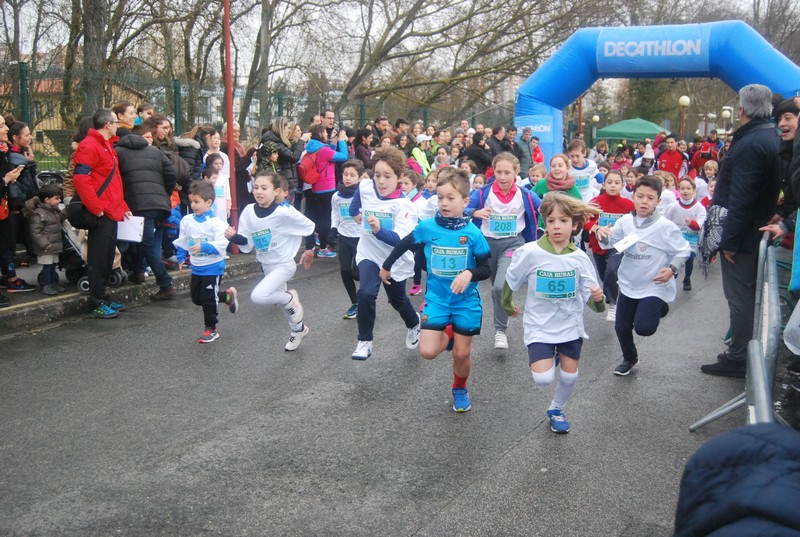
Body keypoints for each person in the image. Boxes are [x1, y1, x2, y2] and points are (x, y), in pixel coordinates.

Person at [380, 168, 491, 412]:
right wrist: (386, 266)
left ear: (465, 201)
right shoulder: (428, 227)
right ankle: (448, 334)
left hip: (466, 302)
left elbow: (486, 267)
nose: (444, 202)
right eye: (440, 197)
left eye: (450, 198)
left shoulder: (473, 233)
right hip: (437, 300)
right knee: (428, 352)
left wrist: (469, 273)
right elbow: (406, 243)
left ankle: (460, 389)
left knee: (461, 354)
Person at [503, 192, 605, 433]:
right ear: (544, 225)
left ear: (575, 225)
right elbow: (510, 282)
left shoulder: (580, 258)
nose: (557, 226)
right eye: (551, 221)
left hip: (570, 324)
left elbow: (591, 296)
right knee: (543, 379)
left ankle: (556, 409)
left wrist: (599, 301)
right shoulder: (530, 252)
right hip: (539, 324)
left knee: (570, 377)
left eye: (563, 221)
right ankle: (550, 356)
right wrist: (508, 306)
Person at [702, 84, 781, 378]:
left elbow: (742, 197)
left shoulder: (751, 142)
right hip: (753, 230)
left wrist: (730, 241)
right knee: (746, 296)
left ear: (742, 110)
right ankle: (742, 352)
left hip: (744, 236)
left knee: (740, 298)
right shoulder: (767, 136)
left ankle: (738, 358)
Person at [596, 175, 691, 376]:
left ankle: (659, 305)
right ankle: (629, 358)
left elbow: (683, 250)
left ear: (658, 201)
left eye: (650, 198)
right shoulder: (625, 221)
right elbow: (609, 243)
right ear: (633, 196)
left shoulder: (665, 227)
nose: (644, 201)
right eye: (640, 196)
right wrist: (601, 233)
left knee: (644, 329)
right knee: (621, 327)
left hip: (654, 285)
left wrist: (672, 269)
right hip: (629, 283)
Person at [226, 171, 315, 351]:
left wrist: (309, 249)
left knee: (258, 296)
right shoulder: (249, 211)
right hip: (267, 265)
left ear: (276, 191)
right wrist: (233, 237)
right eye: (256, 187)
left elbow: (309, 227)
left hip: (284, 265)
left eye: (264, 188)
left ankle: (291, 297)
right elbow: (246, 241)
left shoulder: (284, 213)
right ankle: (298, 330)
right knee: (283, 305)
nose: (259, 191)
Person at [347, 146, 421, 360]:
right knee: (366, 293)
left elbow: (399, 240)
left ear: (399, 177)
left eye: (387, 176)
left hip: (394, 260)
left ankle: (414, 323)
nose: (381, 181)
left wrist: (379, 230)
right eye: (377, 175)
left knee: (397, 301)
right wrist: (356, 216)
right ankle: (364, 341)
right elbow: (354, 207)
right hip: (368, 254)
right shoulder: (366, 187)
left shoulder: (405, 206)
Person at [468, 152, 541, 350]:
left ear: (516, 173)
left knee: (499, 287)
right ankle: (505, 308)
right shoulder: (483, 193)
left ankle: (500, 331)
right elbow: (464, 208)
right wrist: (475, 212)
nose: (502, 177)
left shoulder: (525, 194)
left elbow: (545, 209)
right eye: (499, 172)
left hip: (512, 245)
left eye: (507, 172)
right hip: (487, 246)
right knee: (497, 286)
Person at [73, 108, 133, 319]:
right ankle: (96, 302)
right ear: (107, 124)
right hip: (101, 212)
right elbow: (81, 178)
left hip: (110, 209)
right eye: (116, 121)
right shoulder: (90, 145)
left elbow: (113, 180)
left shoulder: (107, 145)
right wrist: (96, 207)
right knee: (98, 258)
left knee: (107, 256)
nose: (118, 125)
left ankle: (103, 297)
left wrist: (122, 205)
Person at [115, 123, 178, 299]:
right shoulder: (155, 151)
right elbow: (172, 174)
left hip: (137, 204)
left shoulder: (118, 152)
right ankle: (139, 271)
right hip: (159, 203)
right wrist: (163, 194)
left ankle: (166, 285)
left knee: (148, 245)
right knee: (145, 240)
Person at [173, 181, 237, 343]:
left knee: (208, 299)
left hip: (213, 267)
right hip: (196, 267)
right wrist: (181, 257)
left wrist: (204, 246)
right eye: (191, 201)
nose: (193, 205)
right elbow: (183, 239)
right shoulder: (187, 221)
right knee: (197, 298)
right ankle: (227, 297)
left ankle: (211, 328)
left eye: (197, 202)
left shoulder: (217, 224)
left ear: (208, 202)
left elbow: (222, 245)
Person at [584, 169, 634, 321]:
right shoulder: (595, 203)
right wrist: (596, 227)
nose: (613, 185)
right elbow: (584, 219)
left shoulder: (628, 204)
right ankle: (614, 293)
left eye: (617, 183)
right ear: (604, 185)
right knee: (605, 275)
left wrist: (629, 240)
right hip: (599, 246)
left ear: (622, 185)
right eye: (609, 182)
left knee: (612, 270)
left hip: (619, 245)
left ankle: (612, 304)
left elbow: (637, 223)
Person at [304, 123, 348, 258]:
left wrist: (333, 144)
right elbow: (343, 156)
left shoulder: (313, 147)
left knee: (319, 217)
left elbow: (327, 157)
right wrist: (342, 141)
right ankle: (323, 248)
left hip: (316, 187)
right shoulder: (323, 149)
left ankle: (317, 243)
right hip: (327, 188)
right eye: (324, 132)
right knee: (325, 220)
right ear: (319, 133)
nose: (326, 134)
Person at [331, 160, 364, 319]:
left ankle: (366, 295)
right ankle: (355, 303)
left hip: (360, 238)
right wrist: (333, 228)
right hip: (344, 237)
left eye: (352, 175)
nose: (348, 178)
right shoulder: (336, 196)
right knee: (345, 271)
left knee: (357, 274)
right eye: (345, 174)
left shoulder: (363, 194)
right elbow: (335, 213)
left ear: (359, 177)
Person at [665, 177, 706, 291]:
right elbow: (665, 223)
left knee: (689, 259)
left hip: (691, 238)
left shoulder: (699, 208)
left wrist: (691, 223)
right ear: (678, 190)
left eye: (688, 188)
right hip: (676, 239)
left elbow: (699, 225)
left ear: (694, 190)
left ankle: (687, 278)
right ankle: (673, 278)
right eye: (682, 188)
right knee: (675, 259)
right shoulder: (672, 207)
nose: (685, 191)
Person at [28, 184, 67, 296]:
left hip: (53, 245)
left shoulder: (54, 211)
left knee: (52, 266)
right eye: (57, 198)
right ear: (47, 200)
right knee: (47, 267)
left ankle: (54, 283)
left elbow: (60, 218)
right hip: (46, 247)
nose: (59, 201)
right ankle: (47, 285)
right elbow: (35, 232)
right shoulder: (39, 214)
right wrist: (45, 244)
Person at [567, 138, 604, 203]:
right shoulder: (567, 166)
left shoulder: (592, 165)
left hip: (587, 203)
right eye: (572, 156)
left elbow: (600, 178)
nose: (575, 159)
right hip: (572, 203)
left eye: (577, 156)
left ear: (584, 153)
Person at [201, 155, 230, 223]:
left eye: (220, 163)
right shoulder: (207, 177)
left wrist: (228, 208)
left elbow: (227, 194)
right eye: (216, 163)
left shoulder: (224, 178)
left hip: (221, 205)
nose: (219, 166)